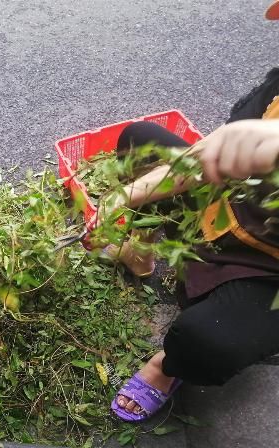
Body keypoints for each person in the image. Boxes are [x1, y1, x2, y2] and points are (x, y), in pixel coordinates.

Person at [108, 1, 279, 422]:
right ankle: (141, 252)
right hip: (225, 209)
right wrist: (123, 197)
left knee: (206, 343)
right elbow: (205, 159)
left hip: (268, 270)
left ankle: (166, 369)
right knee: (139, 139)